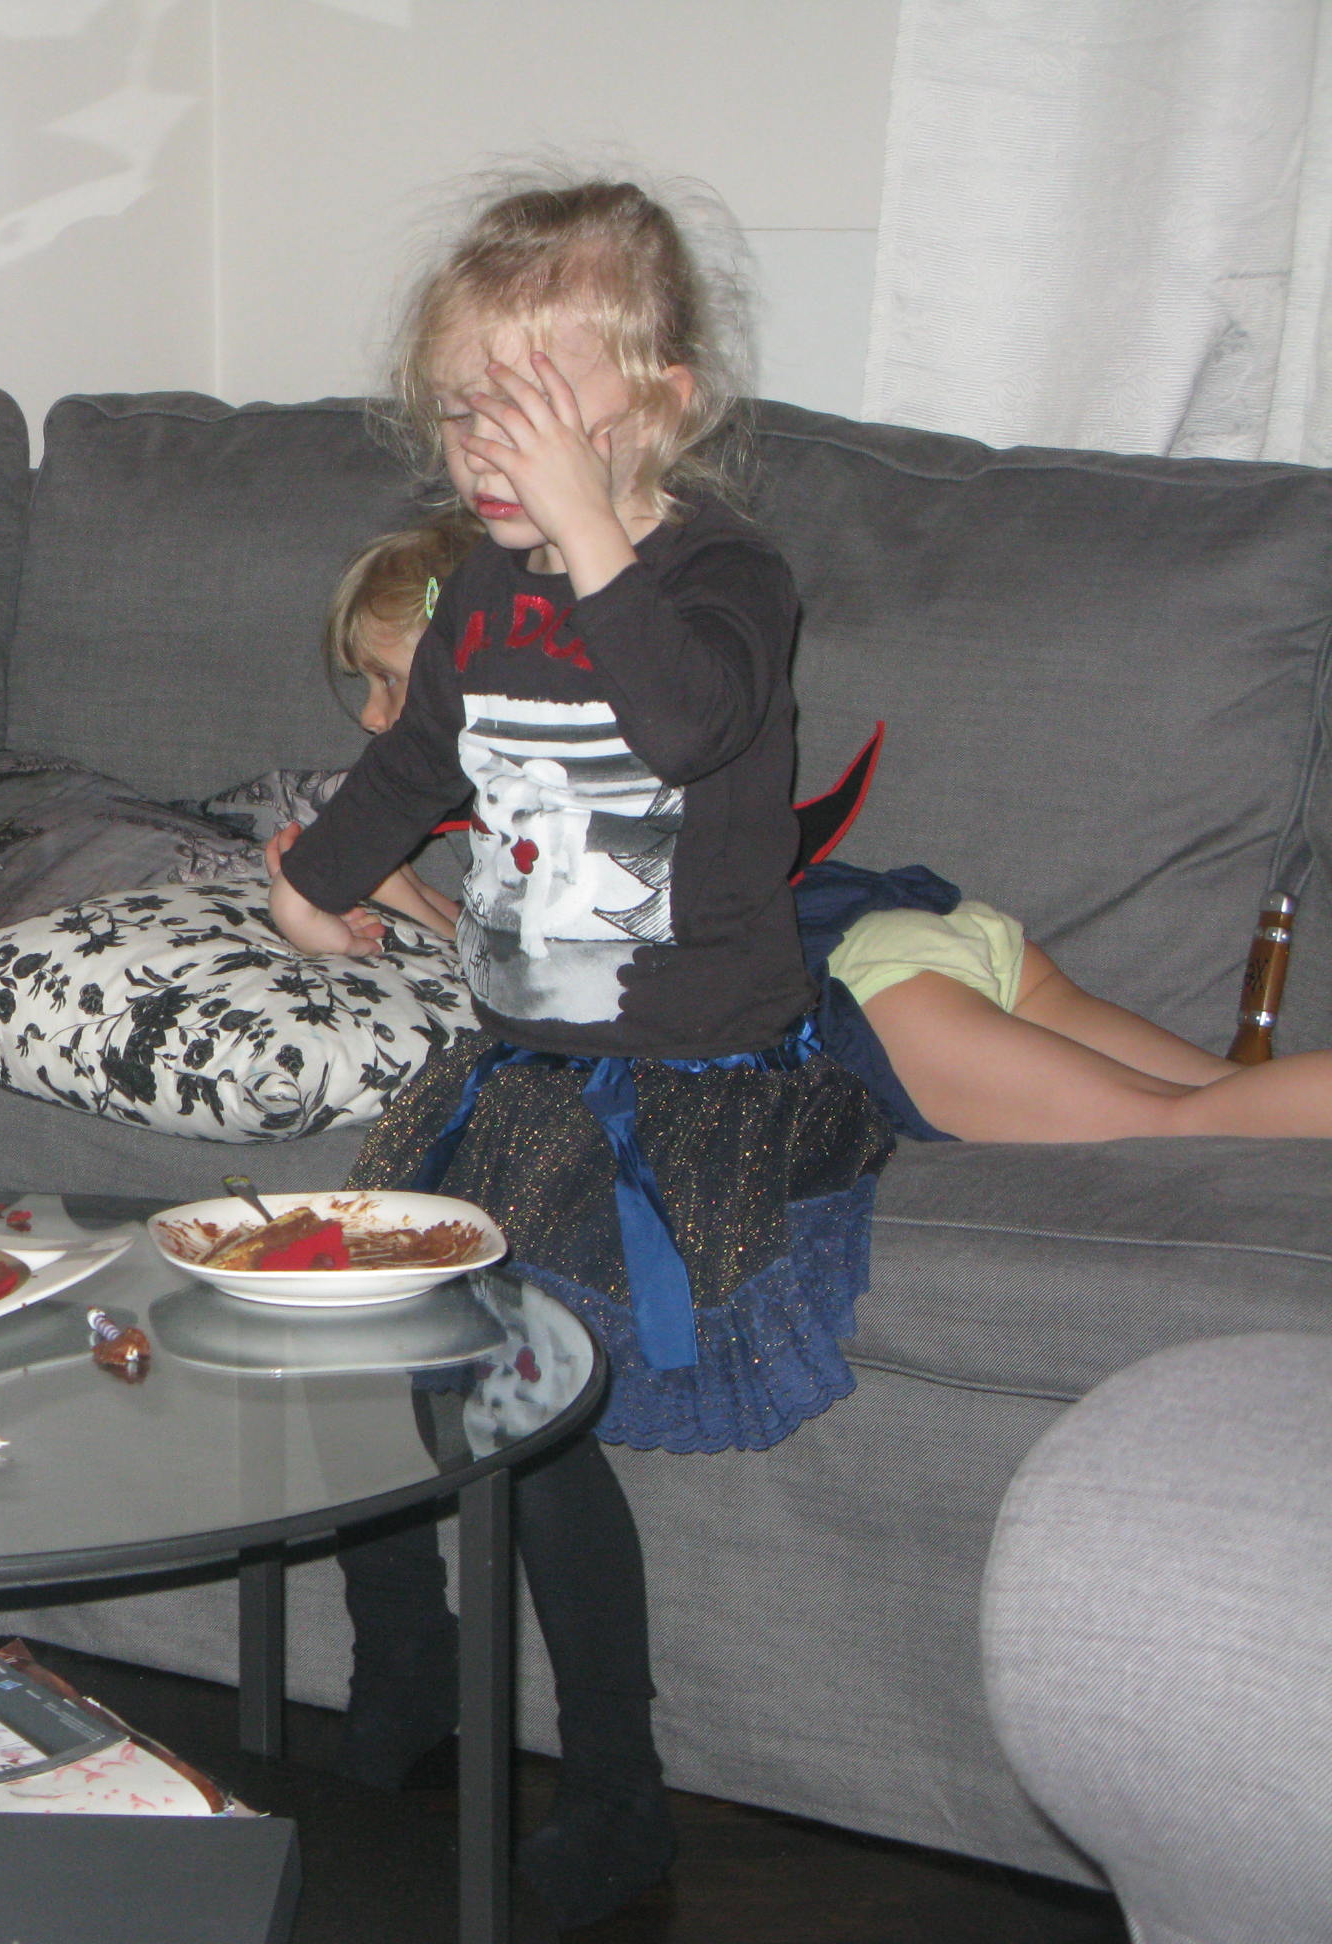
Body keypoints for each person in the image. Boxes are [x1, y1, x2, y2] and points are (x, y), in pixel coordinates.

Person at [269, 172, 894, 1930]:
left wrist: (590, 537)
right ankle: (406, 1672)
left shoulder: (722, 577)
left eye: (533, 402)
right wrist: (317, 881)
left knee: (525, 1409)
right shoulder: (479, 591)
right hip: (518, 1068)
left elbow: (690, 723)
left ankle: (618, 1790)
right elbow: (420, 762)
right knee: (373, 1343)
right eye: (465, 404)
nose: (490, 441)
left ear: (660, 402)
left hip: (680, 1085)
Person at [324, 523, 1332, 1144]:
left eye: (395, 684)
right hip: (923, 927)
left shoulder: (552, 784)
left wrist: (395, 887)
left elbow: (558, 973)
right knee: (1238, 1101)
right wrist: (405, 890)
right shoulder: (632, 727)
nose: (375, 719)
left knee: (1185, 1122)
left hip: (862, 986)